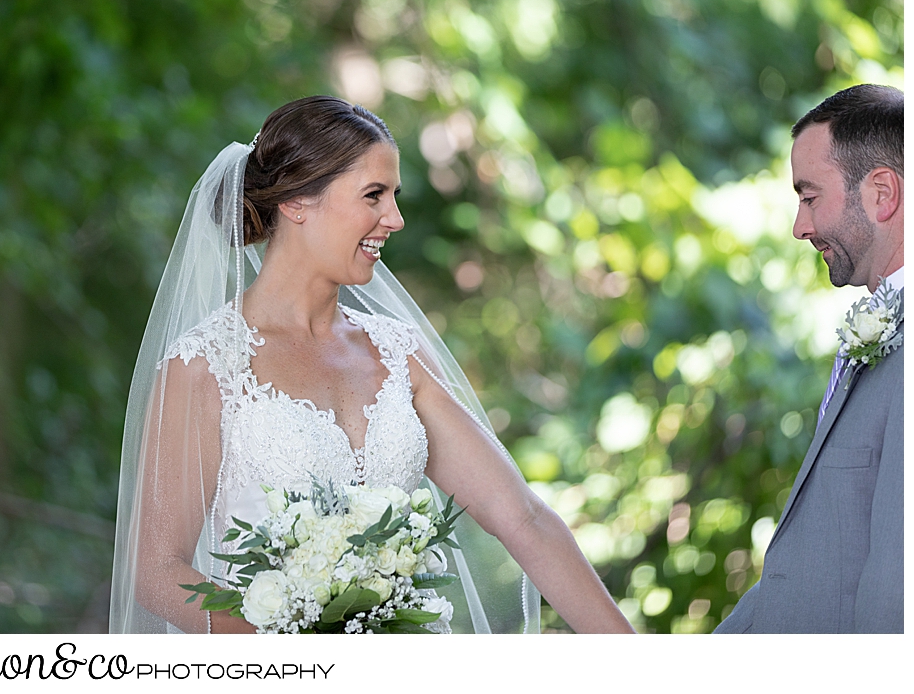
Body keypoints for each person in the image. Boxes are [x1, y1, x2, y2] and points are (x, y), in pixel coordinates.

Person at [109, 96, 633, 634]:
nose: (396, 219)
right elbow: (154, 572)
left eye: (394, 197)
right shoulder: (208, 364)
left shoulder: (396, 353)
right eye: (373, 196)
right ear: (296, 201)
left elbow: (523, 518)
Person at [716, 84, 903, 633]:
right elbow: (807, 570)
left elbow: (895, 592)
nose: (800, 227)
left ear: (881, 193)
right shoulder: (884, 330)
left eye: (809, 196)